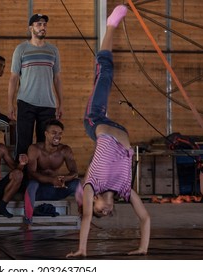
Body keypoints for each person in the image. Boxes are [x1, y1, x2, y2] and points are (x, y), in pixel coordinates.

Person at [66, 5, 150, 258]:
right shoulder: (125, 189)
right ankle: (110, 27)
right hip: (118, 130)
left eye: (100, 210)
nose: (107, 211)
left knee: (105, 71)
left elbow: (87, 218)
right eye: (108, 213)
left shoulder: (94, 186)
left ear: (92, 201)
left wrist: (82, 249)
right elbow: (145, 218)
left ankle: (111, 25)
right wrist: (142, 248)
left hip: (95, 120)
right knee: (105, 73)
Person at [8, 13, 63, 159]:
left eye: (44, 24)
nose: (42, 27)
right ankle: (22, 179)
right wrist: (10, 104)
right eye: (39, 24)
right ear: (31, 28)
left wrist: (60, 103)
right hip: (26, 102)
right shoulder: (21, 49)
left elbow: (57, 79)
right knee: (23, 143)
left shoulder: (53, 51)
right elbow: (13, 78)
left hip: (48, 104)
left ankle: (40, 178)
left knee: (44, 144)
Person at [24, 119, 80, 227]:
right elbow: (31, 173)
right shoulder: (35, 149)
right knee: (32, 184)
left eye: (60, 133)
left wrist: (64, 179)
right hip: (39, 191)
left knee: (78, 183)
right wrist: (52, 180)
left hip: (55, 189)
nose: (57, 136)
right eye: (54, 133)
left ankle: (84, 216)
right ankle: (28, 220)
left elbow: (74, 172)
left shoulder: (65, 150)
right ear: (46, 134)